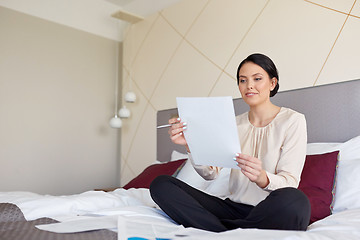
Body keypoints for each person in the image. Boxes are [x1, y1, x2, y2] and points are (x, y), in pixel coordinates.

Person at [150, 53, 311, 232]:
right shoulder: (232, 123)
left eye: (257, 79)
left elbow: (289, 181)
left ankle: (220, 230)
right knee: (161, 184)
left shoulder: (293, 120)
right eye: (243, 80)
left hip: (270, 208)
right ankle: (229, 232)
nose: (249, 85)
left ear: (272, 83)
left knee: (296, 200)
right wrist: (191, 144)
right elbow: (210, 174)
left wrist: (262, 178)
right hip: (232, 209)